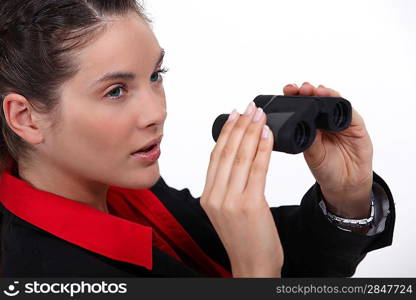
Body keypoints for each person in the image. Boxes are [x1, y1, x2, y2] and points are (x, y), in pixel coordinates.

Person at [0, 0, 395, 278]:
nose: (157, 113)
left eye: (155, 75)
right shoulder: (33, 270)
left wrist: (347, 195)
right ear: (26, 117)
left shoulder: (132, 194)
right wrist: (256, 273)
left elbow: (296, 261)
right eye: (115, 91)